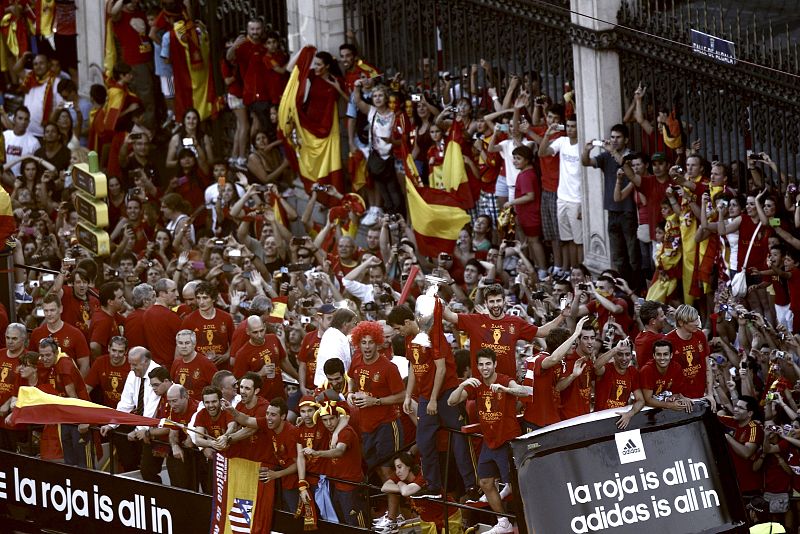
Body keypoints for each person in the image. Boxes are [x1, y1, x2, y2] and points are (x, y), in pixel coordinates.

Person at [388, 304, 478, 502]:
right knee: (424, 441)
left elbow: (441, 369)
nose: (398, 333)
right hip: (425, 396)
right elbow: (414, 367)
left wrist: (434, 400)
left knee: (460, 440)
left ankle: (472, 485)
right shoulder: (410, 339)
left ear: (407, 322)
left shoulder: (431, 334)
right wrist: (408, 395)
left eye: (398, 328)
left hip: (445, 394)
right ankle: (433, 485)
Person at [448, 348, 528, 534]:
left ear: (495, 364)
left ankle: (528, 521)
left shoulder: (503, 379)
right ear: (477, 366)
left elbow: (524, 392)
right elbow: (451, 402)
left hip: (507, 440)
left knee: (516, 487)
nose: (484, 368)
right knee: (485, 482)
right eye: (481, 364)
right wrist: (462, 385)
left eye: (488, 364)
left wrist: (506, 389)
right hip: (489, 442)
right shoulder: (475, 384)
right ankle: (503, 522)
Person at [442, 283, 567, 380]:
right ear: (485, 303)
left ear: (504, 301)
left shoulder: (515, 322)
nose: (495, 305)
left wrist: (562, 316)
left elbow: (541, 332)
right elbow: (449, 316)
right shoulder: (475, 320)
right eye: (491, 301)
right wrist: (436, 298)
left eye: (498, 301)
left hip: (508, 384)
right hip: (482, 384)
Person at [347, 321, 405, 525]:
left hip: (387, 425)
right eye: (363, 342)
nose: (367, 346)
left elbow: (403, 395)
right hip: (365, 426)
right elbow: (351, 380)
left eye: (371, 342)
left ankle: (393, 517)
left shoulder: (388, 367)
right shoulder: (356, 361)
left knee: (390, 470)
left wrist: (376, 401)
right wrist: (350, 393)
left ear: (379, 343)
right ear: (358, 343)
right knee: (380, 471)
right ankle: (394, 514)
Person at [581, 124, 641, 287]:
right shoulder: (606, 156)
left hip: (628, 211)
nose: (614, 140)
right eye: (612, 137)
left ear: (626, 140)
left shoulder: (632, 157)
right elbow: (586, 162)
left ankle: (637, 287)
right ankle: (624, 285)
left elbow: (631, 171)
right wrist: (587, 149)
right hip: (612, 211)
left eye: (618, 137)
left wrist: (612, 152)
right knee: (618, 256)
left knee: (633, 254)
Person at [225, 396, 306, 512]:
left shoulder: (291, 433)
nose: (268, 418)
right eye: (267, 413)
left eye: (273, 415)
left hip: (294, 480)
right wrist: (232, 411)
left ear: (283, 416)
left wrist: (276, 474)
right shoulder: (268, 423)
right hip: (281, 476)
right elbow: (247, 420)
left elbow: (298, 463)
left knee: (296, 514)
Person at [303, 400, 366, 528]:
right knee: (341, 521)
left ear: (337, 417)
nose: (328, 423)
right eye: (325, 420)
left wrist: (317, 453)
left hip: (350, 484)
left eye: (331, 419)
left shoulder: (346, 432)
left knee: (354, 523)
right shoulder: (331, 430)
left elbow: (339, 451)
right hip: (337, 483)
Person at [100, 347, 161, 473]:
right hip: (138, 418)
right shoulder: (133, 373)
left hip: (155, 423)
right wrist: (112, 424)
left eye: (135, 365)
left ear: (146, 362)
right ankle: (130, 471)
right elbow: (126, 403)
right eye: (130, 364)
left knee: (139, 439)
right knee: (118, 432)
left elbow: (152, 408)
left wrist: (139, 430)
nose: (131, 368)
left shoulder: (157, 375)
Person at [522, 318, 590, 432]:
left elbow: (558, 387)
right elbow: (553, 358)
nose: (574, 345)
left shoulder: (561, 362)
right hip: (535, 421)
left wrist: (573, 375)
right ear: (560, 346)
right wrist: (576, 334)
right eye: (569, 342)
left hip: (552, 418)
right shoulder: (540, 359)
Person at [38, 337, 91, 467]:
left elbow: (73, 398)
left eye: (48, 355)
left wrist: (83, 421)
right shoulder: (56, 363)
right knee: (69, 460)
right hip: (66, 416)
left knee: (82, 461)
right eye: (42, 355)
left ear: (56, 353)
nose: (44, 359)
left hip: (78, 417)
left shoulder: (63, 366)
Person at [540, 113, 583, 269]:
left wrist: (584, 205)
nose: (571, 130)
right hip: (562, 198)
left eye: (574, 126)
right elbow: (542, 153)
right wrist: (547, 135)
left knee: (579, 241)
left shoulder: (583, 146)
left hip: (577, 200)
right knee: (567, 239)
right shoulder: (562, 141)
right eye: (569, 126)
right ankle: (572, 271)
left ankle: (580, 273)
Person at [233, 315, 293, 401]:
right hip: (260, 401)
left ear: (265, 327)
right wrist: (260, 374)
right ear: (247, 332)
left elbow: (283, 361)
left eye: (262, 330)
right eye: (255, 332)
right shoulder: (242, 354)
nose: (260, 335)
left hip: (279, 396)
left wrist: (298, 378)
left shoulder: (273, 339)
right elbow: (239, 383)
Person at [30, 293, 90, 376]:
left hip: (68, 384)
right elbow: (31, 362)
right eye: (46, 311)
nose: (49, 314)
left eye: (52, 310)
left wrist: (78, 387)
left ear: (60, 309)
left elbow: (85, 365)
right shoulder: (36, 333)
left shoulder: (75, 334)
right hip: (43, 385)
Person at [593, 337, 644, 429]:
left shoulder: (633, 372)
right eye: (620, 354)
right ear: (614, 355)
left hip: (620, 422)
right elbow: (596, 366)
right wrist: (616, 349)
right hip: (600, 421)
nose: (624, 358)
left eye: (627, 354)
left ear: (631, 356)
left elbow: (640, 400)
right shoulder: (607, 368)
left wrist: (629, 414)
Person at [181, 282, 234, 369]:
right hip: (199, 368)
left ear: (213, 299)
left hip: (223, 367)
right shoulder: (189, 320)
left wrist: (226, 356)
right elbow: (182, 346)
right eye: (198, 298)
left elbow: (234, 342)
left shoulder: (226, 318)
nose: (201, 302)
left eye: (205, 298)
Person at [719, 396, 764, 498]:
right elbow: (710, 416)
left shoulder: (754, 428)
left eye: (740, 408)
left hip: (750, 487)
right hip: (732, 485)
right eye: (735, 406)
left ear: (750, 413)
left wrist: (727, 437)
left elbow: (747, 453)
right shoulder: (730, 421)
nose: (735, 409)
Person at [665, 304, 712, 402]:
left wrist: (710, 394)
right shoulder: (668, 341)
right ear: (681, 322)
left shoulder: (700, 335)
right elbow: (666, 374)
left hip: (701, 395)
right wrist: (680, 396)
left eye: (697, 319)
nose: (697, 323)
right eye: (692, 321)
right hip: (679, 398)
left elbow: (707, 366)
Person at [555, 320, 596, 420]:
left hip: (585, 416)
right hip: (568, 419)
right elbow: (558, 387)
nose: (590, 342)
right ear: (577, 340)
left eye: (592, 338)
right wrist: (573, 376)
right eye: (585, 338)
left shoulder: (590, 360)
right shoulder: (569, 360)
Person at [165, 384, 200, 490]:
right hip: (184, 446)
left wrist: (188, 440)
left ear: (185, 397)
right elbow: (173, 433)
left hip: (199, 450)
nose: (172, 405)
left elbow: (192, 439)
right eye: (169, 401)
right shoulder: (174, 409)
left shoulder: (197, 409)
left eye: (174, 401)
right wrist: (175, 446)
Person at [640, 340, 692, 412]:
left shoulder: (676, 367)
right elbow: (647, 400)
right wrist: (670, 405)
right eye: (658, 354)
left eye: (665, 354)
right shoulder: (647, 370)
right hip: (646, 411)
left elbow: (676, 392)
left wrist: (675, 397)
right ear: (654, 356)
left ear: (671, 355)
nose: (662, 358)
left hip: (662, 406)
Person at [313, 308, 357, 388]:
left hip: (327, 384)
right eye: (354, 323)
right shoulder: (336, 338)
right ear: (345, 324)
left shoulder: (332, 334)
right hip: (331, 385)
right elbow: (338, 367)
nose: (355, 326)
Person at [298, 303, 335, 395]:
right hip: (309, 389)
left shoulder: (337, 339)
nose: (332, 322)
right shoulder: (308, 337)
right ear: (319, 319)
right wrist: (302, 387)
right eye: (329, 318)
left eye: (334, 319)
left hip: (328, 390)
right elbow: (302, 364)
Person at [143, 278, 182, 367]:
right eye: (173, 291)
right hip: (170, 367)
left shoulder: (146, 314)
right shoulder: (171, 317)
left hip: (153, 367)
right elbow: (181, 346)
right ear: (162, 294)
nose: (177, 294)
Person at [170, 329, 217, 401]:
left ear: (194, 344)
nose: (184, 346)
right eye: (180, 343)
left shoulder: (206, 364)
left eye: (187, 343)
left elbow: (216, 388)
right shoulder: (176, 363)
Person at [85, 336, 131, 408]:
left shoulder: (131, 365)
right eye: (114, 350)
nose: (116, 355)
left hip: (128, 410)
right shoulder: (100, 362)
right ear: (109, 348)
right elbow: (87, 388)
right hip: (107, 409)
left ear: (126, 351)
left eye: (120, 351)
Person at [89, 281, 127, 358]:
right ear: (110, 302)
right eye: (120, 298)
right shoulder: (103, 321)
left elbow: (127, 322)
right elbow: (94, 346)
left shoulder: (112, 314)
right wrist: (102, 361)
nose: (124, 299)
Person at [3, 107, 41, 176]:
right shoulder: (4, 136)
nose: (23, 122)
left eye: (26, 119)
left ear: (29, 122)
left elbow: (36, 167)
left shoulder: (34, 142)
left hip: (22, 181)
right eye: (20, 118)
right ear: (14, 119)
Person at [634, 300, 667, 368]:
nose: (665, 317)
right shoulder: (658, 339)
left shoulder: (639, 337)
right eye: (662, 316)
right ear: (653, 321)